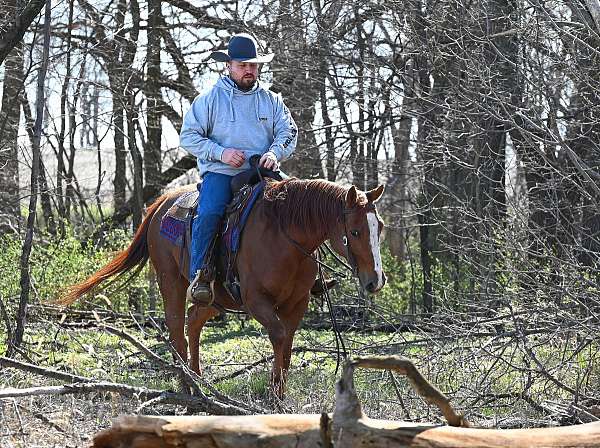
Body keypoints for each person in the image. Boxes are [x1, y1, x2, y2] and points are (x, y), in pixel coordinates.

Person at [180, 33, 298, 304]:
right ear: (228, 65)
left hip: (262, 173)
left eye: (253, 65)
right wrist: (221, 153)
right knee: (209, 212)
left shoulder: (271, 100)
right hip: (222, 173)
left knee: (301, 202)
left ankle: (308, 273)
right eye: (242, 65)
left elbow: (289, 132)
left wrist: (273, 152)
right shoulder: (209, 100)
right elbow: (188, 136)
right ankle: (201, 275)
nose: (248, 70)